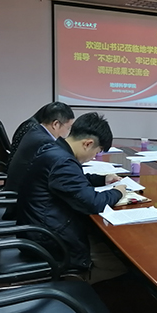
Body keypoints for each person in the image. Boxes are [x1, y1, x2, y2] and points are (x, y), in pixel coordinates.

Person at [16, 112, 127, 282]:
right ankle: (78, 281)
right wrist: (118, 192)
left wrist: (102, 179)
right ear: (88, 144)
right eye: (96, 152)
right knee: (123, 264)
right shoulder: (63, 162)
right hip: (48, 239)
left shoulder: (55, 150)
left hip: (39, 226)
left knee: (105, 243)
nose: (93, 157)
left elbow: (71, 181)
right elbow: (93, 203)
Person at [5, 101, 75, 193]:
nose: (68, 132)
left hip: (19, 188)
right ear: (56, 124)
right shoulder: (44, 142)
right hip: (22, 195)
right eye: (68, 128)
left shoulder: (35, 130)